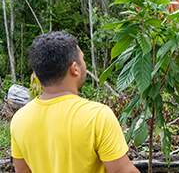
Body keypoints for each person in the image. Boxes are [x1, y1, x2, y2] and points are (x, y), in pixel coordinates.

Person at [10, 31, 139, 173]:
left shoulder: (19, 119)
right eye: (83, 59)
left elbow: (22, 170)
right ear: (74, 69)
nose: (85, 64)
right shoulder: (97, 116)